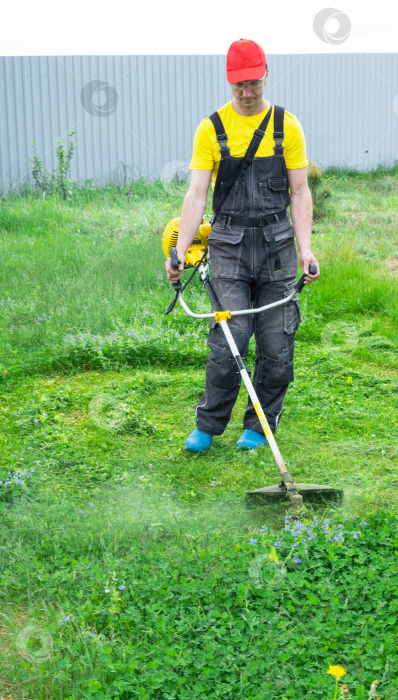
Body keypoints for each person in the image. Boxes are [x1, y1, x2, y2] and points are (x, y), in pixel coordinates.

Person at [165, 37, 319, 453]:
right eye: (239, 86)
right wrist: (179, 252)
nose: (247, 93)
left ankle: (259, 426)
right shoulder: (211, 128)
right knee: (227, 338)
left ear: (265, 75)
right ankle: (209, 425)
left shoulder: (288, 126)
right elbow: (197, 195)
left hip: (278, 250)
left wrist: (305, 250)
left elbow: (300, 193)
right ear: (229, 82)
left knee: (276, 343)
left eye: (253, 84)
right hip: (229, 247)